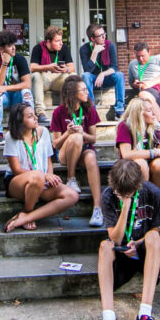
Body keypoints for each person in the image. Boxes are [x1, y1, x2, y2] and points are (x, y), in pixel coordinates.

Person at [89, 158, 160, 320]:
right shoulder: (108, 195)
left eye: (129, 193)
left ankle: (144, 317)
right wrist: (125, 205)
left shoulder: (153, 193)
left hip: (143, 254)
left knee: (154, 238)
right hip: (120, 254)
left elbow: (155, 229)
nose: (122, 195)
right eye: (119, 192)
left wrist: (138, 242)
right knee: (105, 246)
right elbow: (114, 238)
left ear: (138, 184)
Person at [2, 103, 79, 233]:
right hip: (18, 181)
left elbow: (49, 161)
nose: (36, 118)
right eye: (30, 116)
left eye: (35, 115)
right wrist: (43, 176)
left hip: (41, 181)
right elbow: (16, 170)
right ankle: (28, 210)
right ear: (20, 120)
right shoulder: (11, 137)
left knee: (72, 195)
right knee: (37, 175)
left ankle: (26, 217)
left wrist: (50, 176)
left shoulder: (43, 133)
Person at [50, 75, 104, 227]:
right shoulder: (59, 112)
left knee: (91, 157)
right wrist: (68, 133)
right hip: (64, 153)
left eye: (87, 89)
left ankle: (97, 208)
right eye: (84, 90)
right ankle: (71, 178)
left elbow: (93, 139)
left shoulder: (89, 110)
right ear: (73, 93)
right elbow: (55, 144)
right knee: (75, 138)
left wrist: (82, 132)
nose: (87, 92)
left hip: (84, 151)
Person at [116, 97, 160, 198]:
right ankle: (142, 205)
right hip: (128, 168)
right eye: (149, 111)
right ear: (139, 113)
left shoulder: (156, 127)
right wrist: (155, 152)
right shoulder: (125, 126)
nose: (154, 114)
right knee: (141, 163)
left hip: (151, 165)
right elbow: (126, 154)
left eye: (153, 110)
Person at [0, 29, 34, 146]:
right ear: (1, 49)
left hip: (17, 96)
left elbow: (27, 83)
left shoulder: (20, 59)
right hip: (4, 98)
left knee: (26, 92)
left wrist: (6, 88)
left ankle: (30, 126)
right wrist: (4, 64)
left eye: (14, 44)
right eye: (9, 45)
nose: (13, 48)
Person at [30, 25, 75, 126]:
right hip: (44, 80)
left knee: (71, 75)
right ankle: (40, 112)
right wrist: (48, 67)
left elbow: (72, 67)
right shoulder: (38, 48)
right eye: (57, 41)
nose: (61, 43)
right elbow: (32, 68)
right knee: (36, 75)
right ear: (48, 42)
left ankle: (67, 110)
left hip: (57, 80)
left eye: (61, 40)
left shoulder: (63, 48)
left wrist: (66, 69)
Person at [78, 23, 124, 119]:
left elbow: (114, 67)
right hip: (93, 80)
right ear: (92, 39)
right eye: (100, 35)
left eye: (104, 34)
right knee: (85, 76)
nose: (104, 37)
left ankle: (119, 109)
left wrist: (103, 74)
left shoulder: (109, 46)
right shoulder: (84, 49)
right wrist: (94, 52)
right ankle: (92, 110)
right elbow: (87, 70)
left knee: (119, 75)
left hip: (107, 79)